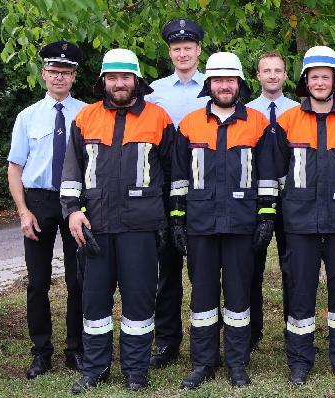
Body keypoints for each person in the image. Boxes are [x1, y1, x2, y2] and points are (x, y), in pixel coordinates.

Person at [60, 48, 175, 393]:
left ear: (137, 80)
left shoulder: (159, 118)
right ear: (103, 82)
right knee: (94, 300)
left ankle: (136, 370)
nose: (120, 83)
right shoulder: (84, 119)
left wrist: (172, 220)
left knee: (139, 301)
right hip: (95, 225)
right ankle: (95, 369)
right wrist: (72, 209)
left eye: (126, 77)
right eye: (113, 77)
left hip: (141, 226)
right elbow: (71, 171)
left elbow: (173, 175)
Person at [258, 46, 335, 385]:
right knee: (301, 290)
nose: (320, 82)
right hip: (300, 221)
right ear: (305, 81)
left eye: (326, 76)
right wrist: (287, 203)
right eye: (314, 76)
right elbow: (276, 172)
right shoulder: (287, 122)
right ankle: (300, 362)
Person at [170, 52, 269, 389]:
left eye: (230, 80)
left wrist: (266, 219)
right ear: (209, 84)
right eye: (218, 80)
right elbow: (179, 179)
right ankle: (203, 362)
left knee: (239, 298)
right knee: (202, 298)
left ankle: (237, 363)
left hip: (242, 225)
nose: (224, 86)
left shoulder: (258, 123)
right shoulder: (189, 125)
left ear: (239, 83)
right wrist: (177, 220)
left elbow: (267, 179)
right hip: (200, 225)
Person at [7, 41, 86, 379]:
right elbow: (14, 168)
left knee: (78, 279)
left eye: (66, 72)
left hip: (76, 202)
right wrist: (23, 211)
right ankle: (41, 352)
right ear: (43, 74)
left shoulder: (87, 113)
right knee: (38, 282)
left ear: (74, 76)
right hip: (38, 201)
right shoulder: (27, 117)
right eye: (54, 71)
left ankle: (76, 350)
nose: (59, 77)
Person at [144, 18, 209, 369]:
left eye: (189, 48)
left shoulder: (213, 86)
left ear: (199, 50)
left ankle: (206, 341)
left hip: (206, 186)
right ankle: (167, 341)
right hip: (166, 182)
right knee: (167, 268)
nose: (183, 53)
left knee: (203, 270)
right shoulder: (154, 92)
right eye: (176, 48)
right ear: (170, 52)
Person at [245, 50, 299, 349]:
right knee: (252, 265)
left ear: (285, 74)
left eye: (278, 70)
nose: (273, 75)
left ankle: (295, 330)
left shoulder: (298, 111)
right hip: (254, 201)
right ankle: (252, 332)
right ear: (258, 75)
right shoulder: (247, 112)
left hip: (292, 200)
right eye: (267, 70)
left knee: (293, 266)